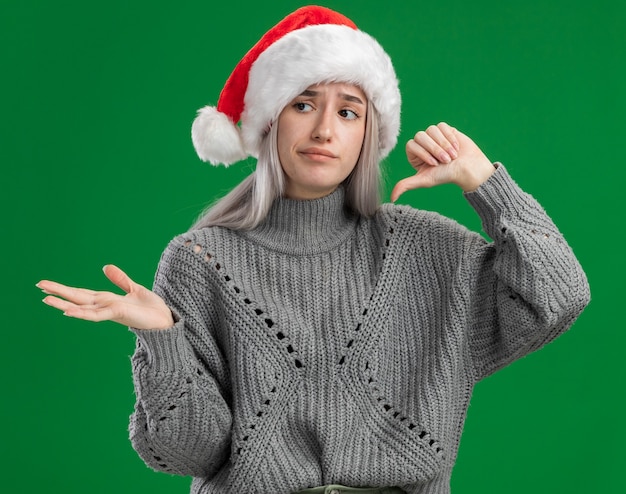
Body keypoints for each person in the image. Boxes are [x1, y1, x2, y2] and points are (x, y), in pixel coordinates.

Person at [37, 6, 590, 494]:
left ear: (368, 135)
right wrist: (162, 341)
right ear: (270, 121)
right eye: (304, 104)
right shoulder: (201, 260)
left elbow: (559, 297)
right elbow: (190, 455)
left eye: (348, 111)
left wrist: (484, 182)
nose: (325, 128)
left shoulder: (425, 249)